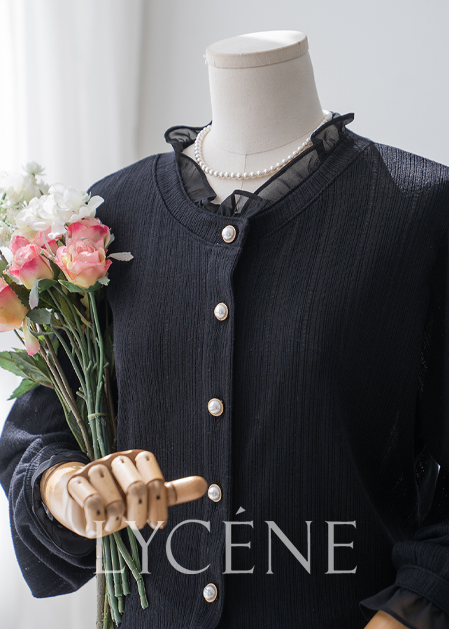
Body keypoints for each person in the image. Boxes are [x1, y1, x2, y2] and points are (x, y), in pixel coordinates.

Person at [1, 30, 449, 628]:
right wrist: (68, 489)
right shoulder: (107, 217)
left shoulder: (419, 211)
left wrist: (406, 616)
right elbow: (35, 439)